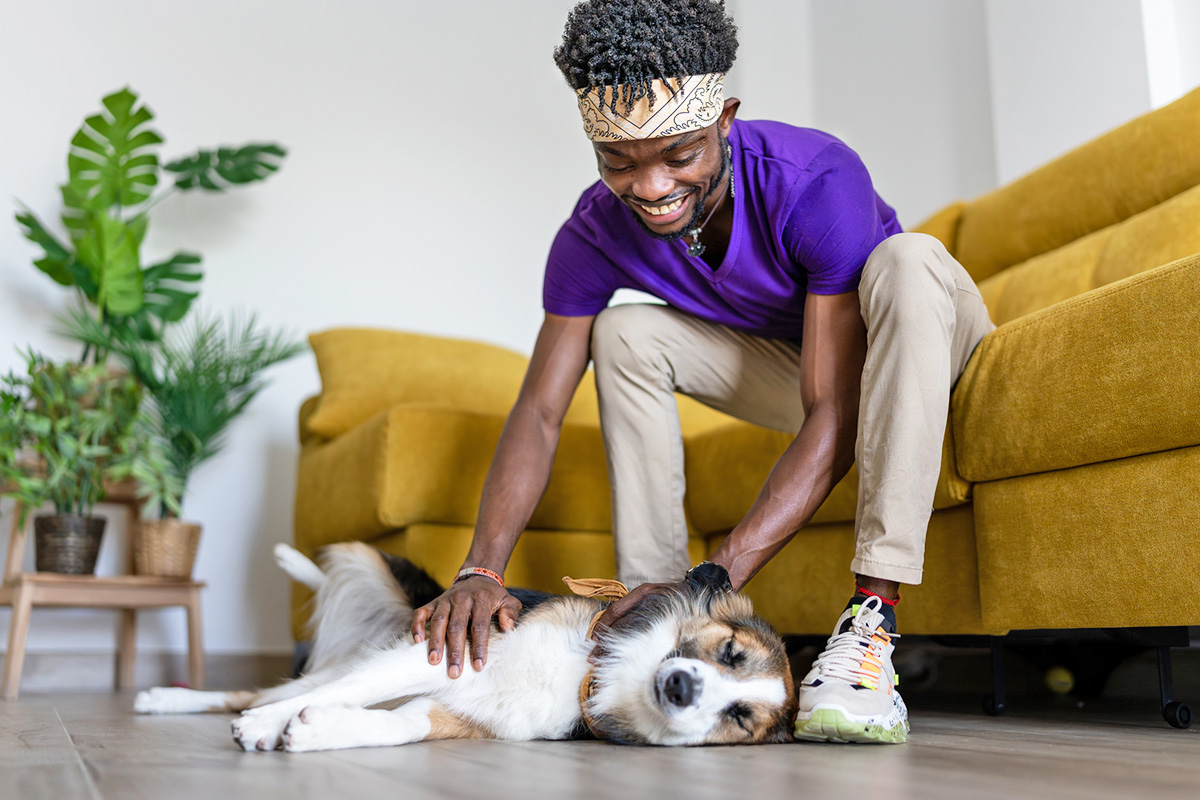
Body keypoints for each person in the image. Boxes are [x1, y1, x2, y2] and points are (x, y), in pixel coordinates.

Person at [411, 0, 995, 744]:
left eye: (678, 156)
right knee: (623, 331)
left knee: (906, 258)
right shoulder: (593, 232)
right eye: (620, 161)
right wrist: (481, 570)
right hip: (822, 379)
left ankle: (871, 626)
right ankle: (656, 617)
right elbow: (539, 411)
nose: (650, 187)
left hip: (934, 351)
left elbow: (834, 412)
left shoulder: (812, 178)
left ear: (724, 119)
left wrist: (716, 575)